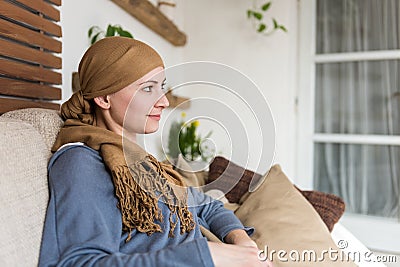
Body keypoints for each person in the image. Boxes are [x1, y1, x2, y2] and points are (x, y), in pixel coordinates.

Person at [39, 36, 273, 267]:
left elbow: (207, 206)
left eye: (161, 88)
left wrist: (242, 242)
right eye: (147, 89)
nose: (163, 101)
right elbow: (79, 262)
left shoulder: (138, 161)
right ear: (103, 97)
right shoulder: (82, 164)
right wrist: (208, 255)